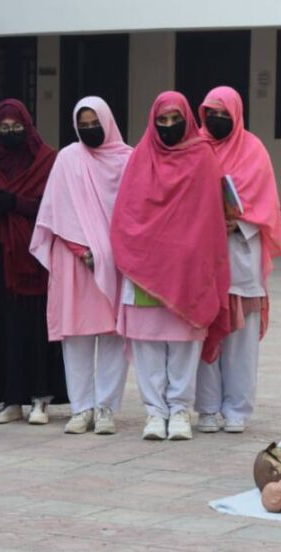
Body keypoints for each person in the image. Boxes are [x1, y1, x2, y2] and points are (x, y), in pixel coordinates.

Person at [110, 91, 230, 441]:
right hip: (145, 267)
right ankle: (154, 412)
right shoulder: (140, 156)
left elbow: (209, 217)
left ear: (187, 120)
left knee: (183, 342)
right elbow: (127, 215)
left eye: (175, 120)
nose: (168, 127)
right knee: (147, 342)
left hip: (189, 268)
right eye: (161, 121)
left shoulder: (202, 156)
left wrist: (187, 249)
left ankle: (179, 410)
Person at [30, 97, 131, 435]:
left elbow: (134, 212)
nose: (90, 130)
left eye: (95, 123)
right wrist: (82, 248)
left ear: (108, 121)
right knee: (76, 336)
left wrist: (108, 251)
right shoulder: (68, 159)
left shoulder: (127, 160)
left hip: (115, 261)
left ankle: (105, 409)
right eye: (83, 124)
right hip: (74, 259)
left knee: (113, 335)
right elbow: (56, 210)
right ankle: (81, 408)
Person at [194, 86, 281, 434]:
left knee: (240, 342)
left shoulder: (254, 150)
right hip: (203, 260)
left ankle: (236, 410)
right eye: (210, 113)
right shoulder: (196, 148)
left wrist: (238, 221)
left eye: (223, 114)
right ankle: (206, 408)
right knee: (203, 333)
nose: (216, 120)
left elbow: (266, 203)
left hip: (241, 255)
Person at [0, 99, 67, 425]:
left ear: (28, 126)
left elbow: (53, 206)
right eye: (4, 128)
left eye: (16, 127)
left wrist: (16, 203)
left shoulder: (48, 160)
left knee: (38, 328)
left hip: (37, 256)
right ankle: (10, 398)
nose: (11, 132)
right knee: (7, 329)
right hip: (3, 257)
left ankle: (40, 398)